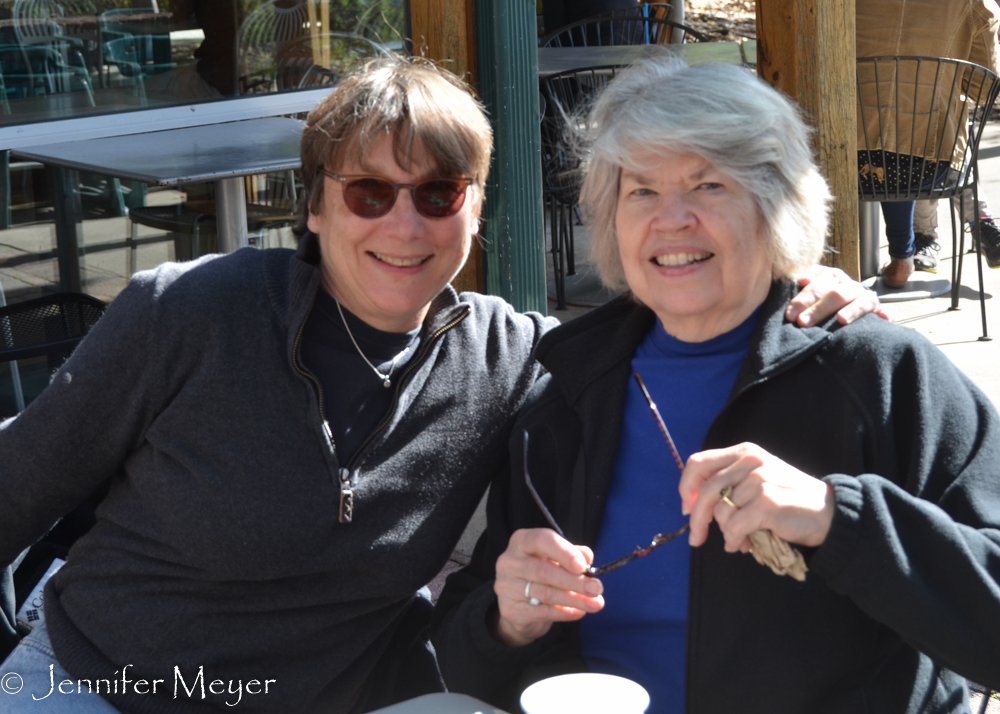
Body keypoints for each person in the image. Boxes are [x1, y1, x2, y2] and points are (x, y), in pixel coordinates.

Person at [0, 57, 879, 713]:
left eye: (439, 191)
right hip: (98, 685)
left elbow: (675, 309)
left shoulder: (517, 356)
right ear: (313, 207)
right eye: (370, 193)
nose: (406, 222)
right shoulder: (191, 312)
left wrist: (802, 281)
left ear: (476, 208)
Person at [432, 58, 1000, 714]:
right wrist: (505, 623)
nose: (671, 220)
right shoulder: (564, 396)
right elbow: (458, 661)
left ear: (774, 204)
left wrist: (837, 518)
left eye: (708, 186)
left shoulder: (875, 373)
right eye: (641, 190)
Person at [856, 0, 1000, 286]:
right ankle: (909, 253)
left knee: (884, 144)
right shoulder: (972, 4)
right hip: (928, 168)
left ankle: (905, 253)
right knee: (926, 135)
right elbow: (984, 90)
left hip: (843, 161)